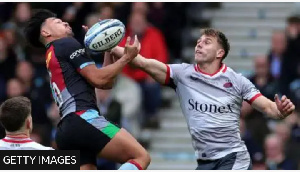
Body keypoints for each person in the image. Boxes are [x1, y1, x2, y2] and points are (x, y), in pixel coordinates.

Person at [110, 28, 296, 170]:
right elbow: (142, 62)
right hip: (205, 161)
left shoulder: (237, 81)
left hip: (233, 158)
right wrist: (108, 44)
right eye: (198, 41)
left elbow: (268, 107)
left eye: (207, 42)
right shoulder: (182, 74)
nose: (199, 44)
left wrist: (280, 111)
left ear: (219, 53)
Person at [24, 9, 150, 170]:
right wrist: (126, 57)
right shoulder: (66, 43)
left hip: (66, 131)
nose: (64, 22)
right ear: (45, 32)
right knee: (140, 157)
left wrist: (107, 48)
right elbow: (99, 78)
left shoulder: (53, 53)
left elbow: (105, 84)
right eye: (57, 22)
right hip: (83, 118)